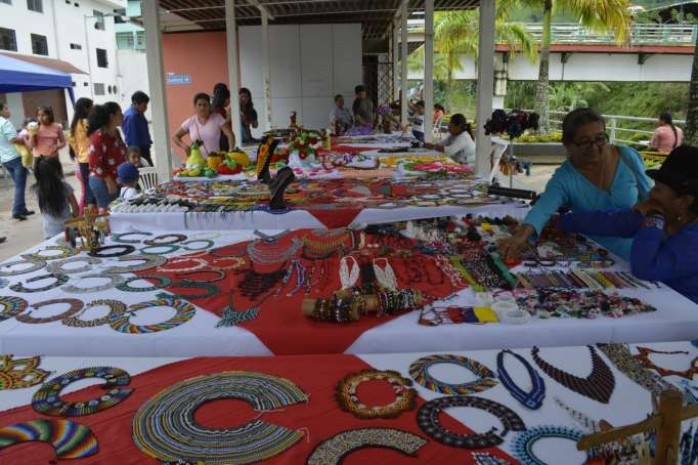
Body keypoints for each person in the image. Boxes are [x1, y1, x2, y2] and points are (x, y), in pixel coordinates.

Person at [498, 107, 653, 261]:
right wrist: (520, 237)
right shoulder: (565, 177)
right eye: (584, 142)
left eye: (599, 138)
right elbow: (543, 208)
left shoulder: (628, 157)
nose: (594, 147)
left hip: (639, 255)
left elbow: (653, 200)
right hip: (595, 257)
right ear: (568, 145)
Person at [558, 146, 698, 303]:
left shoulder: (692, 239)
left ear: (685, 201)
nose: (651, 193)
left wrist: (654, 218)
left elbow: (645, 269)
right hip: (655, 300)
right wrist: (561, 221)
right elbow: (611, 221)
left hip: (685, 315)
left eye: (658, 189)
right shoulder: (664, 211)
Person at [87, 102, 127, 212]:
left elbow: (123, 151)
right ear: (111, 116)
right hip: (103, 181)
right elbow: (94, 163)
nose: (122, 116)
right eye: (119, 114)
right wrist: (108, 180)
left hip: (117, 179)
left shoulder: (116, 132)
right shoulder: (98, 137)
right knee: (107, 214)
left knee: (119, 211)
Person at [173, 92, 236, 158]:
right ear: (195, 106)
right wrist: (184, 146)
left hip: (215, 160)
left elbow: (230, 134)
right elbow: (175, 136)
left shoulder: (217, 118)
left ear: (209, 106)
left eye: (205, 105)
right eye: (199, 105)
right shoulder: (190, 122)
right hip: (196, 162)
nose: (202, 107)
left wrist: (231, 151)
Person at [0, 101, 34, 221]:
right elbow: (13, 139)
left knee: (19, 184)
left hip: (4, 159)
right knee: (20, 185)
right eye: (6, 108)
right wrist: (25, 139)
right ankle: (16, 210)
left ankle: (22, 208)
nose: (8, 110)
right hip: (15, 157)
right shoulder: (5, 123)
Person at [32, 156, 78, 239]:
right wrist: (74, 217)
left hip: (50, 232)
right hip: (69, 228)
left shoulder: (37, 191)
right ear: (57, 172)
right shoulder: (65, 187)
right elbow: (75, 207)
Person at [68, 97, 95, 214]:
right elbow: (94, 137)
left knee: (87, 190)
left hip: (82, 159)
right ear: (86, 108)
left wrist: (79, 154)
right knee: (93, 190)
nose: (93, 110)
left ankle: (86, 220)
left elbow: (72, 142)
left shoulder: (74, 125)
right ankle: (92, 217)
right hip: (91, 159)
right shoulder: (86, 123)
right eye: (91, 107)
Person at [121, 91, 153, 166]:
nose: (146, 108)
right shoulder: (132, 117)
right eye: (144, 105)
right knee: (148, 171)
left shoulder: (139, 113)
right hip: (138, 151)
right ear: (136, 103)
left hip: (144, 148)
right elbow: (133, 138)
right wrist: (137, 156)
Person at [212, 83, 233, 151]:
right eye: (228, 98)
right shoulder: (218, 110)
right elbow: (219, 126)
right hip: (221, 141)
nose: (229, 101)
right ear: (223, 98)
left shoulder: (219, 109)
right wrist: (229, 117)